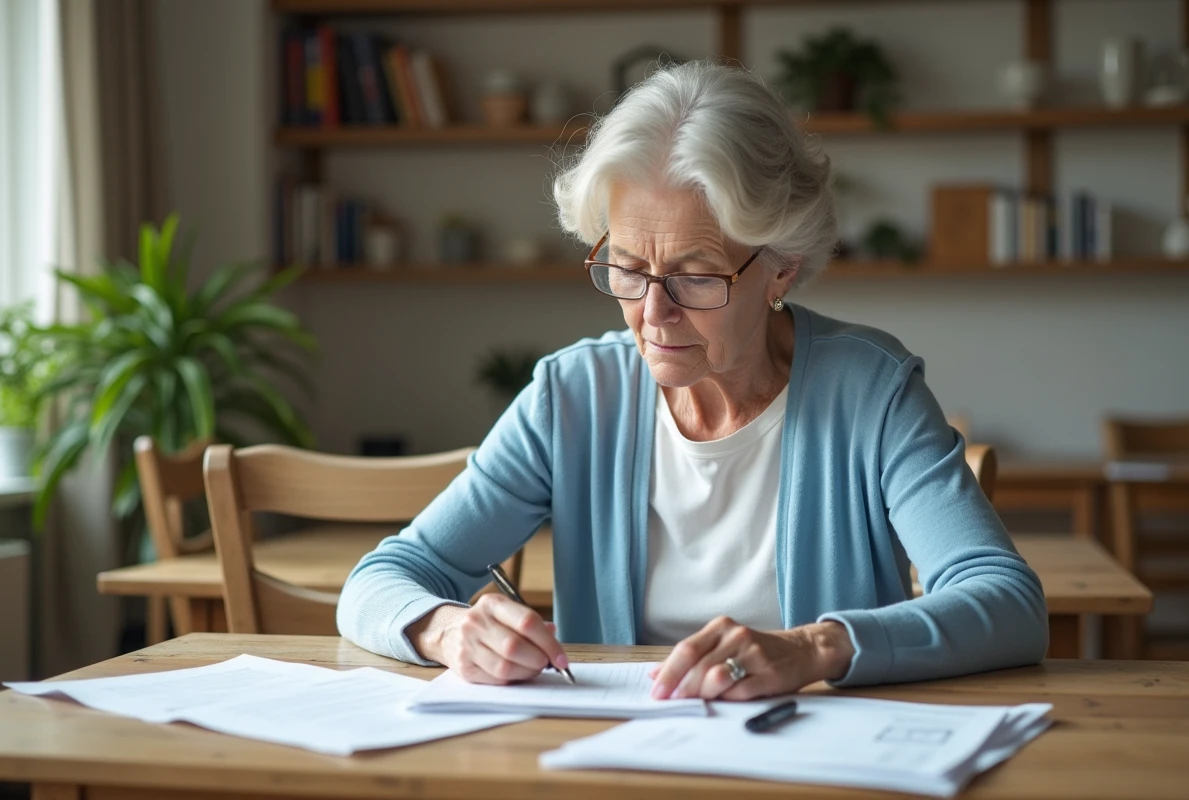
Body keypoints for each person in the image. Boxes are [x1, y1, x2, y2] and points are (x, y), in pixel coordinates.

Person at [337, 60, 1047, 700]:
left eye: (696, 275)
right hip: (615, 760)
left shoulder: (870, 392)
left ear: (781, 268)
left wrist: (814, 649)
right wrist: (443, 629)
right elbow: (381, 579)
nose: (652, 314)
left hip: (817, 761)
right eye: (627, 267)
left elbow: (1008, 602)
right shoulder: (575, 396)